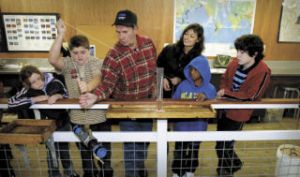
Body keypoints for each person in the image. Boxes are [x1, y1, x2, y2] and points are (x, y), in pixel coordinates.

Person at [79, 9, 157, 177]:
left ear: (136, 29)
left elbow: (153, 72)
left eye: (125, 32)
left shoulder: (149, 44)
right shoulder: (113, 55)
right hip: (125, 109)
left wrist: (156, 89)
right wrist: (95, 95)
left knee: (143, 146)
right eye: (118, 32)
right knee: (130, 150)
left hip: (147, 106)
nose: (121, 36)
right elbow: (107, 84)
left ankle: (140, 171)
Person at [48, 19, 113, 177]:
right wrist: (61, 34)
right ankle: (90, 174)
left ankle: (106, 172)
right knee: (85, 154)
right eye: (75, 53)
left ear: (88, 50)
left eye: (82, 52)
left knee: (105, 153)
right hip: (77, 118)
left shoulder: (97, 62)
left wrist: (88, 87)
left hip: (99, 118)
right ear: (70, 52)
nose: (79, 56)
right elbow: (52, 59)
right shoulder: (68, 64)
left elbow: (98, 77)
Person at [8, 65, 79, 177]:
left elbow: (68, 94)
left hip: (62, 122)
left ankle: (69, 172)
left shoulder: (55, 81)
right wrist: (34, 99)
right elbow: (11, 103)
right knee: (51, 151)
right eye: (33, 82)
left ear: (41, 74)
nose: (38, 83)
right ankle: (54, 174)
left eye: (38, 78)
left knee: (64, 149)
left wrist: (58, 95)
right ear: (28, 84)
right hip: (47, 125)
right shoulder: (27, 90)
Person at [215, 34, 271, 177]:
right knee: (220, 144)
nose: (237, 55)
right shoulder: (234, 63)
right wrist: (224, 92)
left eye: (242, 52)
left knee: (224, 145)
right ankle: (223, 169)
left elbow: (252, 95)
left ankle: (232, 167)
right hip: (224, 109)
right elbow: (224, 80)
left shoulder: (263, 70)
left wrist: (226, 93)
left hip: (239, 113)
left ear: (255, 54)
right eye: (237, 51)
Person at [171, 57, 216, 177]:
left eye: (195, 70)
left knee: (193, 152)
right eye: (190, 69)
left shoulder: (210, 89)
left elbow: (214, 104)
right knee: (179, 152)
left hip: (198, 128)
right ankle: (177, 173)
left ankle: (190, 172)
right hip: (181, 128)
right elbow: (173, 102)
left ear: (203, 71)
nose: (192, 72)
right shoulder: (182, 85)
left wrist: (206, 97)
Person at [157, 23, 204, 98]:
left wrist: (180, 80)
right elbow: (157, 65)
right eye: (186, 34)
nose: (187, 38)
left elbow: (198, 78)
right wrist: (162, 78)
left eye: (192, 36)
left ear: (198, 39)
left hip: (184, 92)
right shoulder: (169, 49)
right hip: (162, 88)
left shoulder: (198, 59)